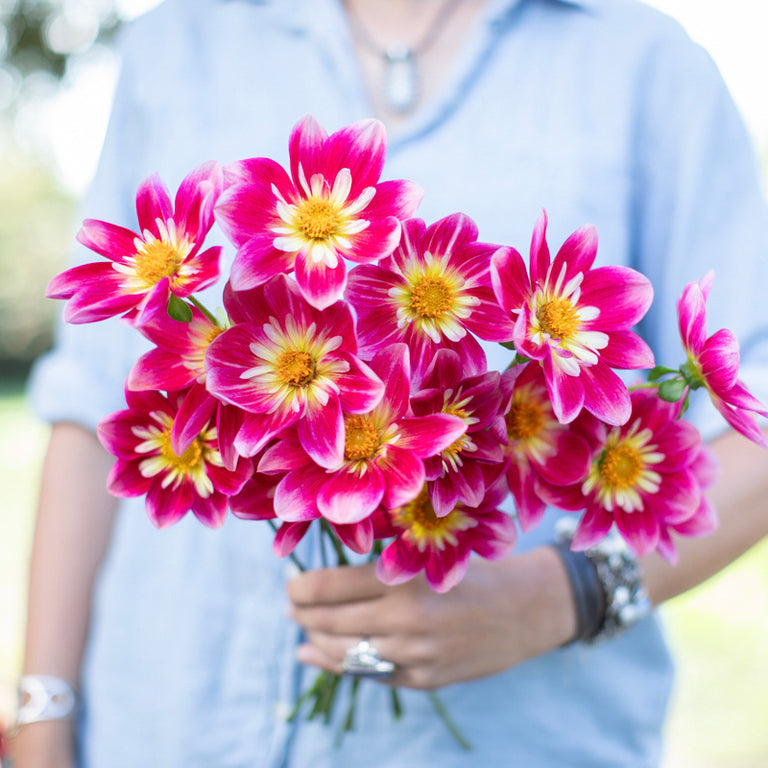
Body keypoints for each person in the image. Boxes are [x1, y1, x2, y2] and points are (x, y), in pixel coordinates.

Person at [11, 0, 768, 765]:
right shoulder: (175, 39)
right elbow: (90, 405)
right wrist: (42, 714)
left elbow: (760, 424)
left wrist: (560, 596)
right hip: (159, 727)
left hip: (516, 741)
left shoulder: (647, 59)